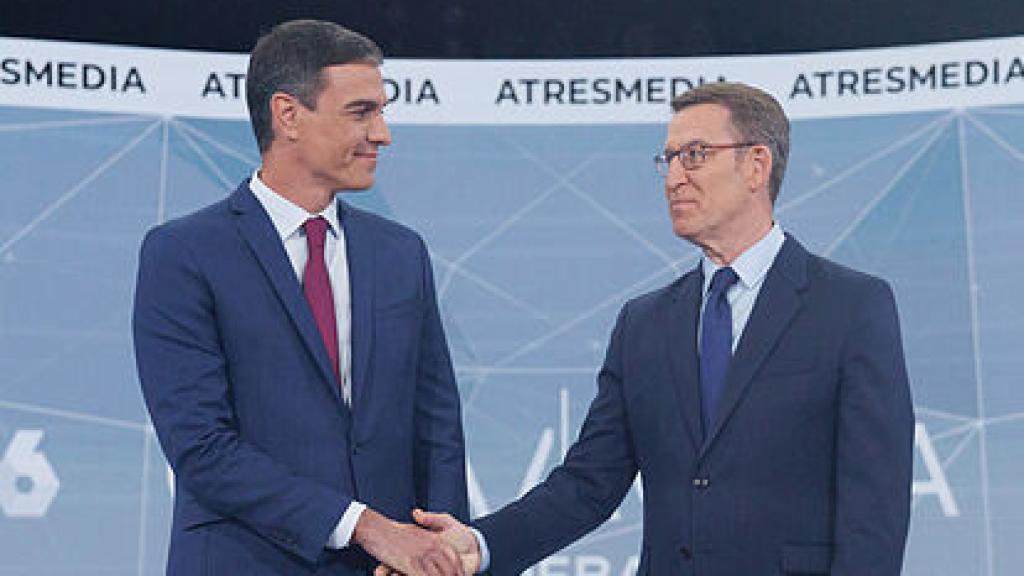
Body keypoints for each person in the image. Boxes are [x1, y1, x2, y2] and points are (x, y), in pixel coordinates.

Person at [395, 82, 915, 576]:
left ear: (757, 164)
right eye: (668, 160)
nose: (673, 178)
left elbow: (875, 512)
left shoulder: (851, 307)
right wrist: (481, 545)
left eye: (695, 155)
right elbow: (588, 484)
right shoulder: (642, 325)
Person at [133, 19, 468, 576]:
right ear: (288, 114)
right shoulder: (183, 254)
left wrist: (438, 549)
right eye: (361, 112)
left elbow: (438, 430)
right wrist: (367, 526)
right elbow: (201, 448)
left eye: (381, 112)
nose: (382, 133)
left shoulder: (400, 253)